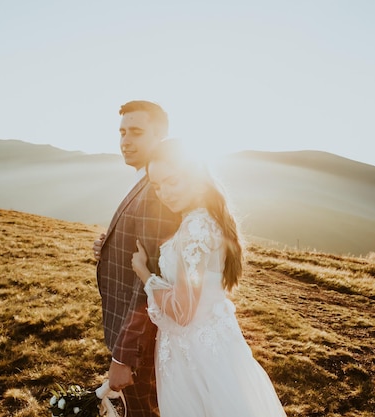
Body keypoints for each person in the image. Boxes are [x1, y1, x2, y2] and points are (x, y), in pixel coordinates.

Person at [131, 139, 287, 416]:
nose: (163, 193)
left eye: (171, 181)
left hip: (195, 353)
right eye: (156, 186)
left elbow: (181, 311)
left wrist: (145, 274)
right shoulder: (203, 220)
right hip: (210, 346)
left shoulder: (196, 227)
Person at [93, 101, 180, 417]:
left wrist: (123, 356)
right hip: (133, 340)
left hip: (142, 346)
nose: (125, 141)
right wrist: (109, 246)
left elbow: (151, 283)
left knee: (144, 412)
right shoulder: (146, 179)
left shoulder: (159, 193)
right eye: (122, 132)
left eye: (136, 133)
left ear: (160, 136)